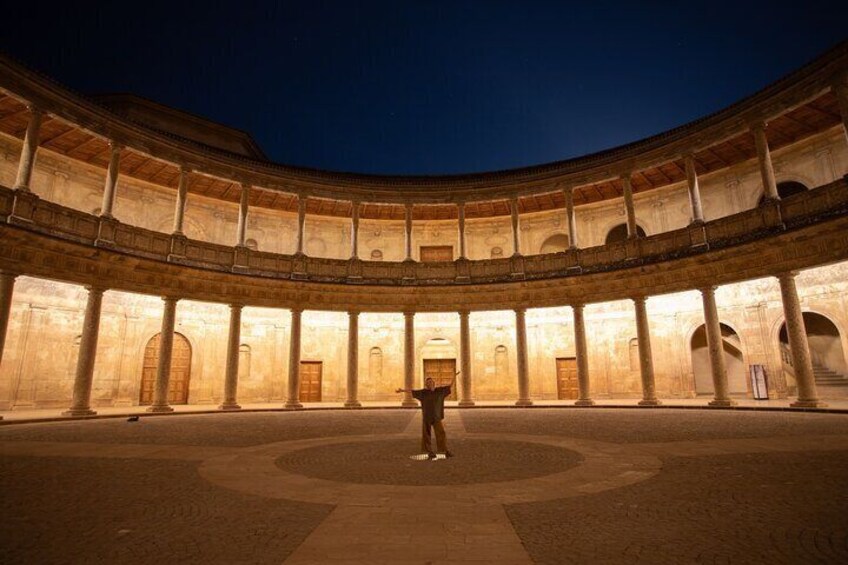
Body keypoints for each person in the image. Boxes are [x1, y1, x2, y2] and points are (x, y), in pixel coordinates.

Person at [396, 372, 458, 460]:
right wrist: (402, 390)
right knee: (426, 435)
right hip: (427, 418)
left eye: (431, 382)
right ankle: (429, 451)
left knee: (441, 433)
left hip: (437, 417)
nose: (430, 383)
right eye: (428, 383)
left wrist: (454, 377)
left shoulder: (440, 391)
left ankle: (445, 450)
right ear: (426, 385)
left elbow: (450, 386)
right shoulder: (423, 393)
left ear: (434, 383)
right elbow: (412, 391)